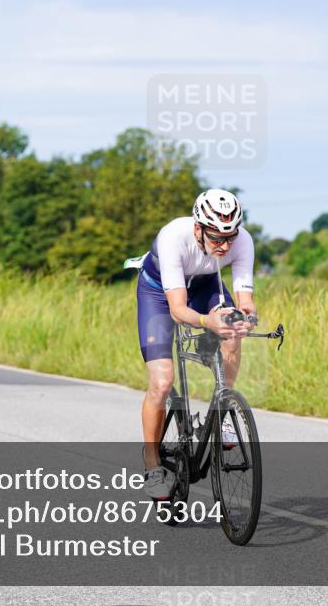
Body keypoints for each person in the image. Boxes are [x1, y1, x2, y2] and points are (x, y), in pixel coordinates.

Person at [130, 189, 257, 499]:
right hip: (160, 294)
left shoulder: (243, 241)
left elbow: (245, 299)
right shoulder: (173, 236)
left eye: (230, 237)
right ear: (198, 227)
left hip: (204, 285)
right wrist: (206, 322)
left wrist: (243, 317)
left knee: (232, 329)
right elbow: (177, 310)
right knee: (162, 383)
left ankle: (224, 409)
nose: (225, 245)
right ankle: (152, 463)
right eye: (216, 238)